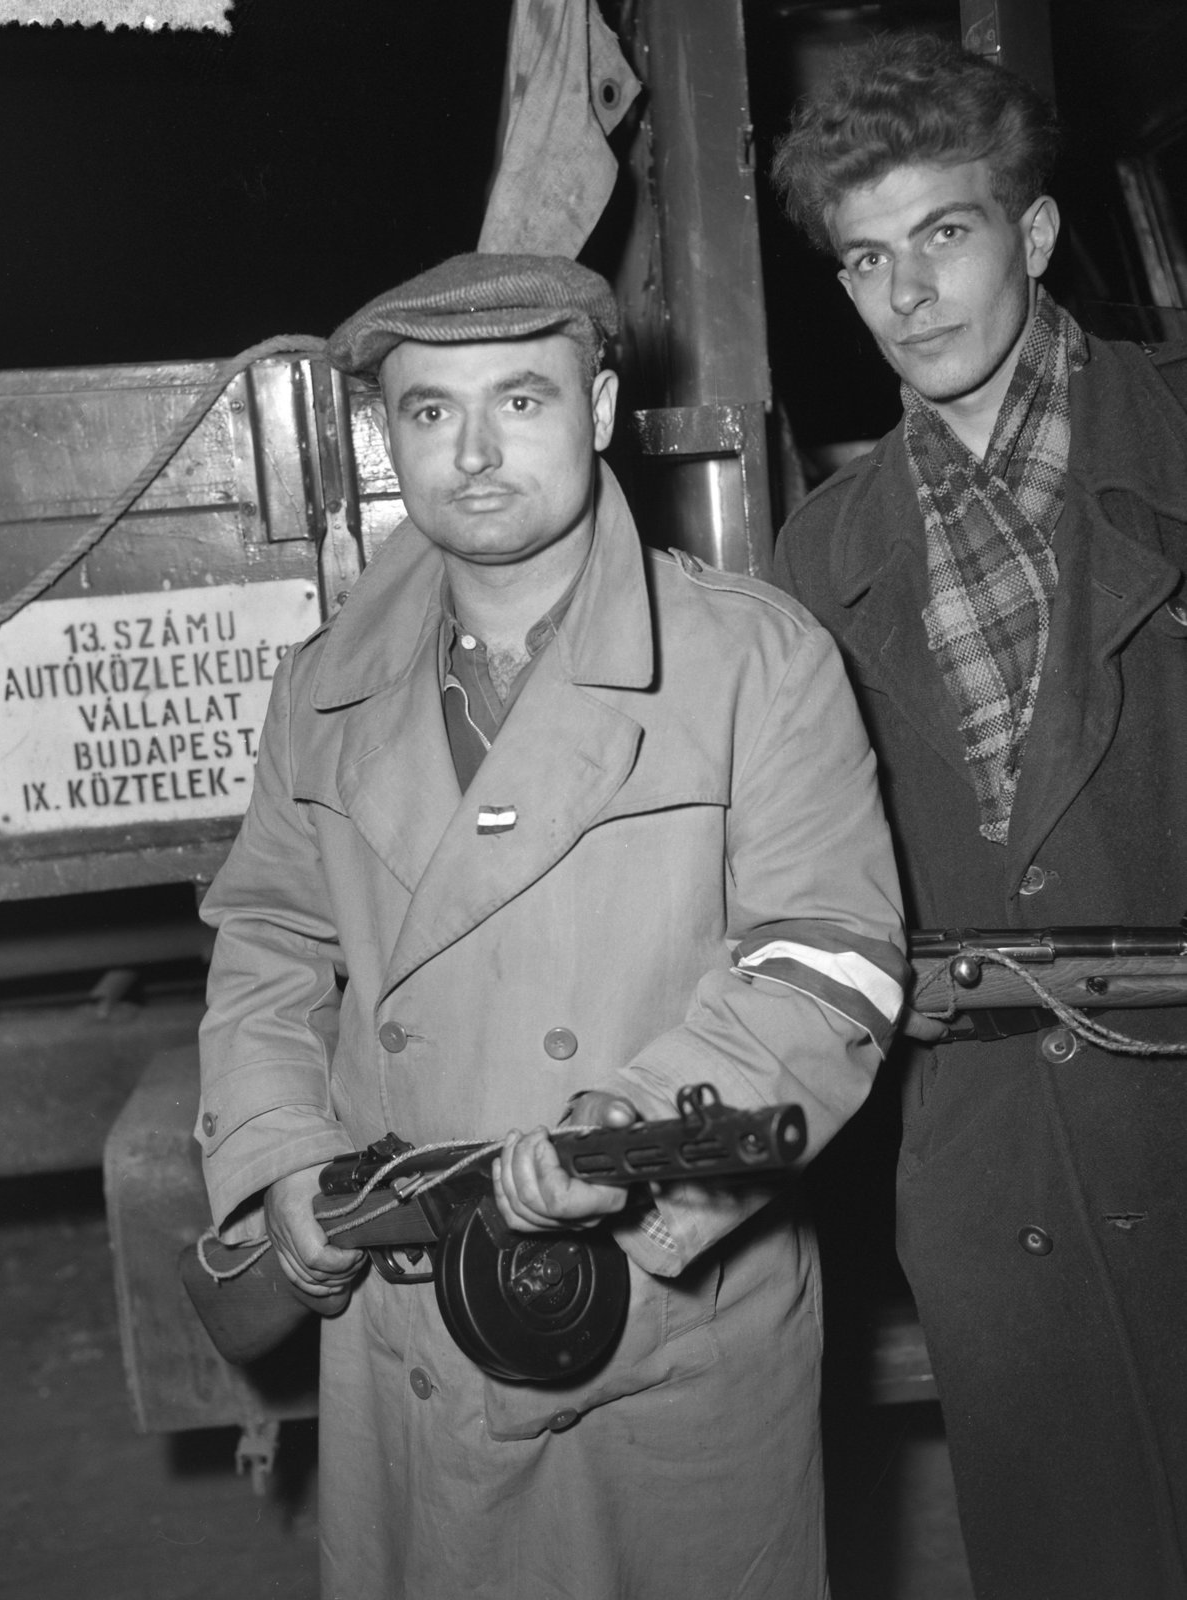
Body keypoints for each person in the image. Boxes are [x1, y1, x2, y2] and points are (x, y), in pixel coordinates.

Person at [194, 252, 907, 1599]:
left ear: (595, 411)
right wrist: (284, 1158)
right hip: (408, 1310)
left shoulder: (755, 661)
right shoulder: (323, 689)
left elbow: (828, 964)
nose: (472, 451)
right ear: (384, 434)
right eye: (427, 412)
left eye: (519, 401)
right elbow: (272, 944)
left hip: (654, 1324)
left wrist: (623, 1130)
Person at [771, 32, 1187, 1600]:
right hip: (995, 1179)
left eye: (944, 234)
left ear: (1032, 233)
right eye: (867, 259)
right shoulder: (822, 557)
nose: (909, 293)